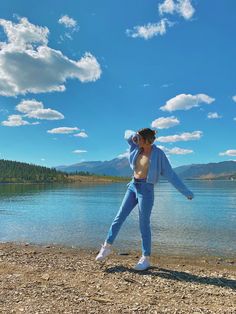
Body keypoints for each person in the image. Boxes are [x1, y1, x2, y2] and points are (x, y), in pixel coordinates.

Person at [95, 128, 194, 271]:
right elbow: (126, 134)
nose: (136, 140)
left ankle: (145, 258)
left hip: (146, 190)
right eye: (137, 138)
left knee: (143, 224)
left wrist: (186, 192)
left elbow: (171, 174)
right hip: (132, 186)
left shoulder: (159, 154)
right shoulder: (136, 147)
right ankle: (106, 247)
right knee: (119, 217)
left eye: (140, 138)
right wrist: (134, 135)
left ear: (148, 141)